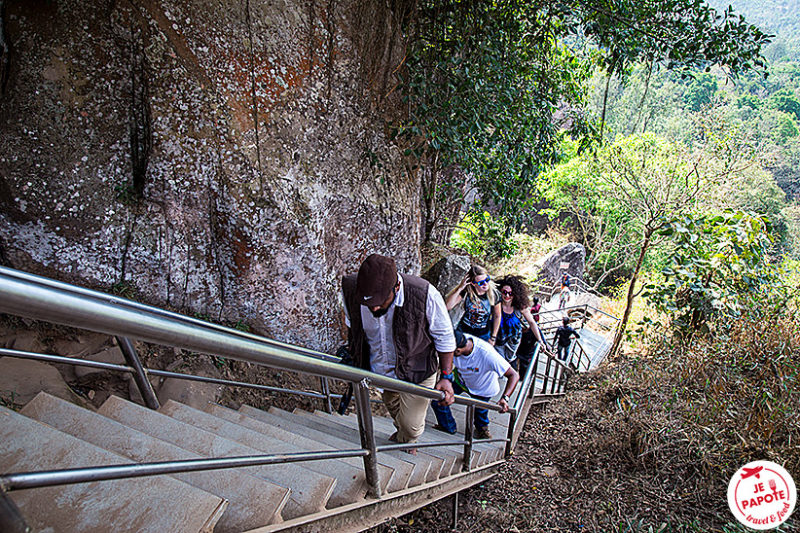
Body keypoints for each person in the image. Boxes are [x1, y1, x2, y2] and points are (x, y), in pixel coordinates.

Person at [342, 254, 456, 451]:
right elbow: (352, 325)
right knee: (395, 408)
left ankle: (406, 438)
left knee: (412, 428)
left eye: (381, 300)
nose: (374, 307)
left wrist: (446, 376)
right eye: (369, 303)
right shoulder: (351, 289)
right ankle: (403, 437)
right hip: (381, 369)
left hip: (418, 370)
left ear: (396, 288)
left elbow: (444, 338)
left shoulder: (424, 293)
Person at [431, 330, 519, 440]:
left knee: (480, 413)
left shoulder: (487, 354)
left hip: (483, 387)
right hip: (462, 380)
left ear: (458, 351)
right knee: (439, 400)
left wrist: (505, 398)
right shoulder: (457, 339)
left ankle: (482, 430)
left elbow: (514, 375)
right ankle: (448, 426)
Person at [445, 265, 501, 345]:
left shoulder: (494, 294)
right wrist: (460, 288)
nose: (485, 284)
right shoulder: (467, 292)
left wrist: (493, 337)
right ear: (473, 283)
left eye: (487, 279)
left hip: (483, 334)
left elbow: (497, 316)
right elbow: (448, 306)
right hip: (464, 332)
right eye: (481, 283)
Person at [494, 275, 538, 369]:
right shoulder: (496, 304)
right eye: (504, 292)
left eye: (511, 293)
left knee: (509, 359)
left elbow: (532, 323)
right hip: (499, 338)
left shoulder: (519, 307)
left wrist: (540, 340)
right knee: (499, 361)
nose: (507, 296)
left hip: (513, 339)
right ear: (500, 291)